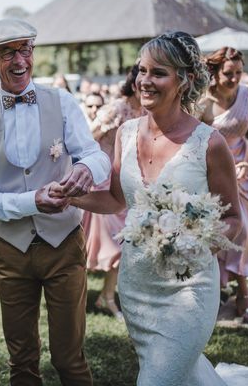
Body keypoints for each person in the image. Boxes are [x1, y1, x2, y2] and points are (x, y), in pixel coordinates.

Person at [66, 31, 241, 385]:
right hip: (138, 288)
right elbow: (117, 199)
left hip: (188, 288)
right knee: (182, 375)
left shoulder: (210, 144)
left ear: (184, 80)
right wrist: (68, 197)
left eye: (158, 73)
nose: (144, 81)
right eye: (141, 71)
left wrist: (195, 239)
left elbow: (233, 218)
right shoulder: (126, 133)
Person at [0, 18, 110, 385]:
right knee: (22, 361)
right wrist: (32, 201)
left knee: (70, 358)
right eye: (7, 52)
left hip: (63, 244)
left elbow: (96, 155)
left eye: (25, 49)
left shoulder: (61, 101)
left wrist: (85, 170)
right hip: (11, 252)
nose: (19, 60)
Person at [200, 47, 248, 324]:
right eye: (229, 73)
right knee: (215, 231)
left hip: (243, 171)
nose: (235, 78)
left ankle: (243, 293)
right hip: (213, 173)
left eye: (239, 72)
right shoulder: (203, 103)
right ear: (215, 73)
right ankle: (218, 288)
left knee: (244, 230)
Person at [82, 64, 144, 320]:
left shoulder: (146, 112)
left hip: (127, 183)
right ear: (133, 83)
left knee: (125, 245)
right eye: (143, 81)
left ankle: (106, 296)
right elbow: (85, 141)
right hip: (102, 183)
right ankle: (74, 296)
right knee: (92, 247)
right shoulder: (116, 109)